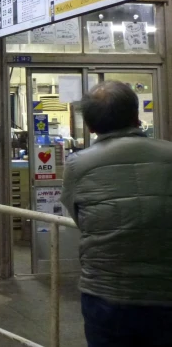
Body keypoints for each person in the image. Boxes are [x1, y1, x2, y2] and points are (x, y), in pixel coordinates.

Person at [60, 81, 172, 347]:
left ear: (90, 126)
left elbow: (79, 216)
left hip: (105, 292)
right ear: (136, 117)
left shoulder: (78, 164)